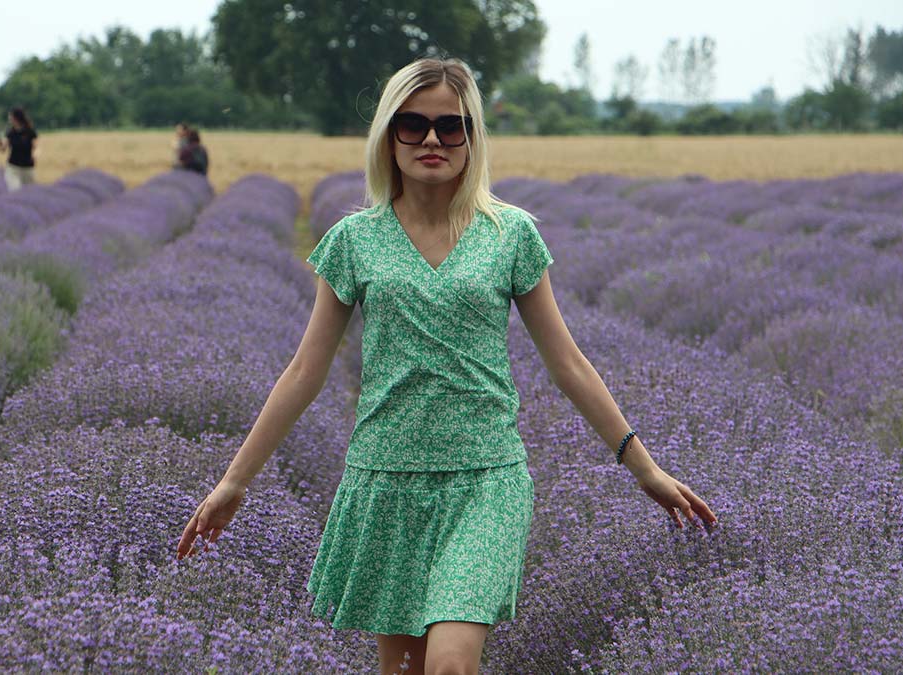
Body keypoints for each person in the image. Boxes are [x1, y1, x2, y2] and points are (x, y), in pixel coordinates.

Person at [176, 58, 717, 675]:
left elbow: (567, 362)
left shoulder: (509, 234)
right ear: (388, 136)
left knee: (450, 665)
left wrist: (643, 468)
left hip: (485, 479)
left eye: (450, 126)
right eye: (412, 124)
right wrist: (234, 483)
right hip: (386, 481)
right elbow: (305, 371)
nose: (432, 139)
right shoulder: (354, 240)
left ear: (472, 137)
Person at [0, 106, 38, 191]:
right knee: (14, 190)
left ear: (16, 118)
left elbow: (36, 147)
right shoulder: (10, 132)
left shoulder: (30, 132)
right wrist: (0, 144)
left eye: (10, 116)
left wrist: (34, 155)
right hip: (13, 167)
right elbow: (3, 149)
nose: (9, 118)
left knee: (29, 192)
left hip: (27, 167)